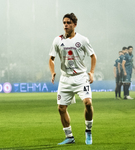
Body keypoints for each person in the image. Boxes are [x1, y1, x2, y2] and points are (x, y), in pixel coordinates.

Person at [49, 13, 97, 145]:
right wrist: (53, 71)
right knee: (61, 108)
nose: (66, 25)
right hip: (65, 79)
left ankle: (88, 130)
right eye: (64, 22)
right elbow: (51, 59)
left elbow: (93, 56)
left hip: (81, 77)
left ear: (75, 24)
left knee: (88, 102)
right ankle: (69, 137)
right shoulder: (58, 40)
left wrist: (91, 72)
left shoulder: (82, 40)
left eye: (68, 22)